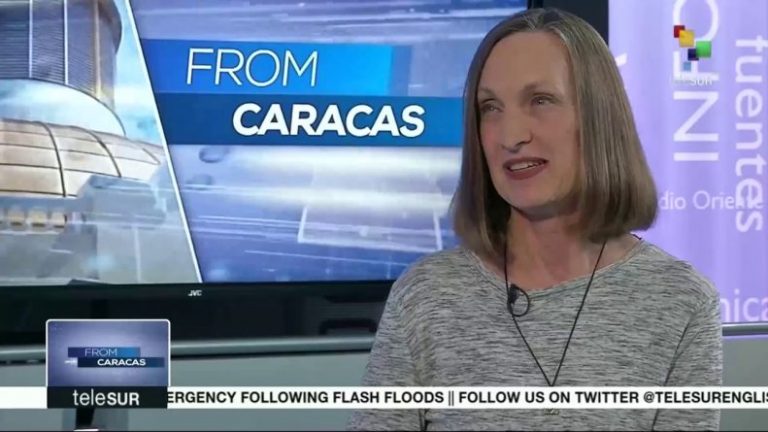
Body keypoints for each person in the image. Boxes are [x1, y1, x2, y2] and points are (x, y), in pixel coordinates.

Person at [346, 6, 723, 432]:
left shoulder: (680, 302)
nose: (511, 136)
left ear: (598, 118)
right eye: (491, 108)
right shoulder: (426, 296)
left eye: (540, 100)